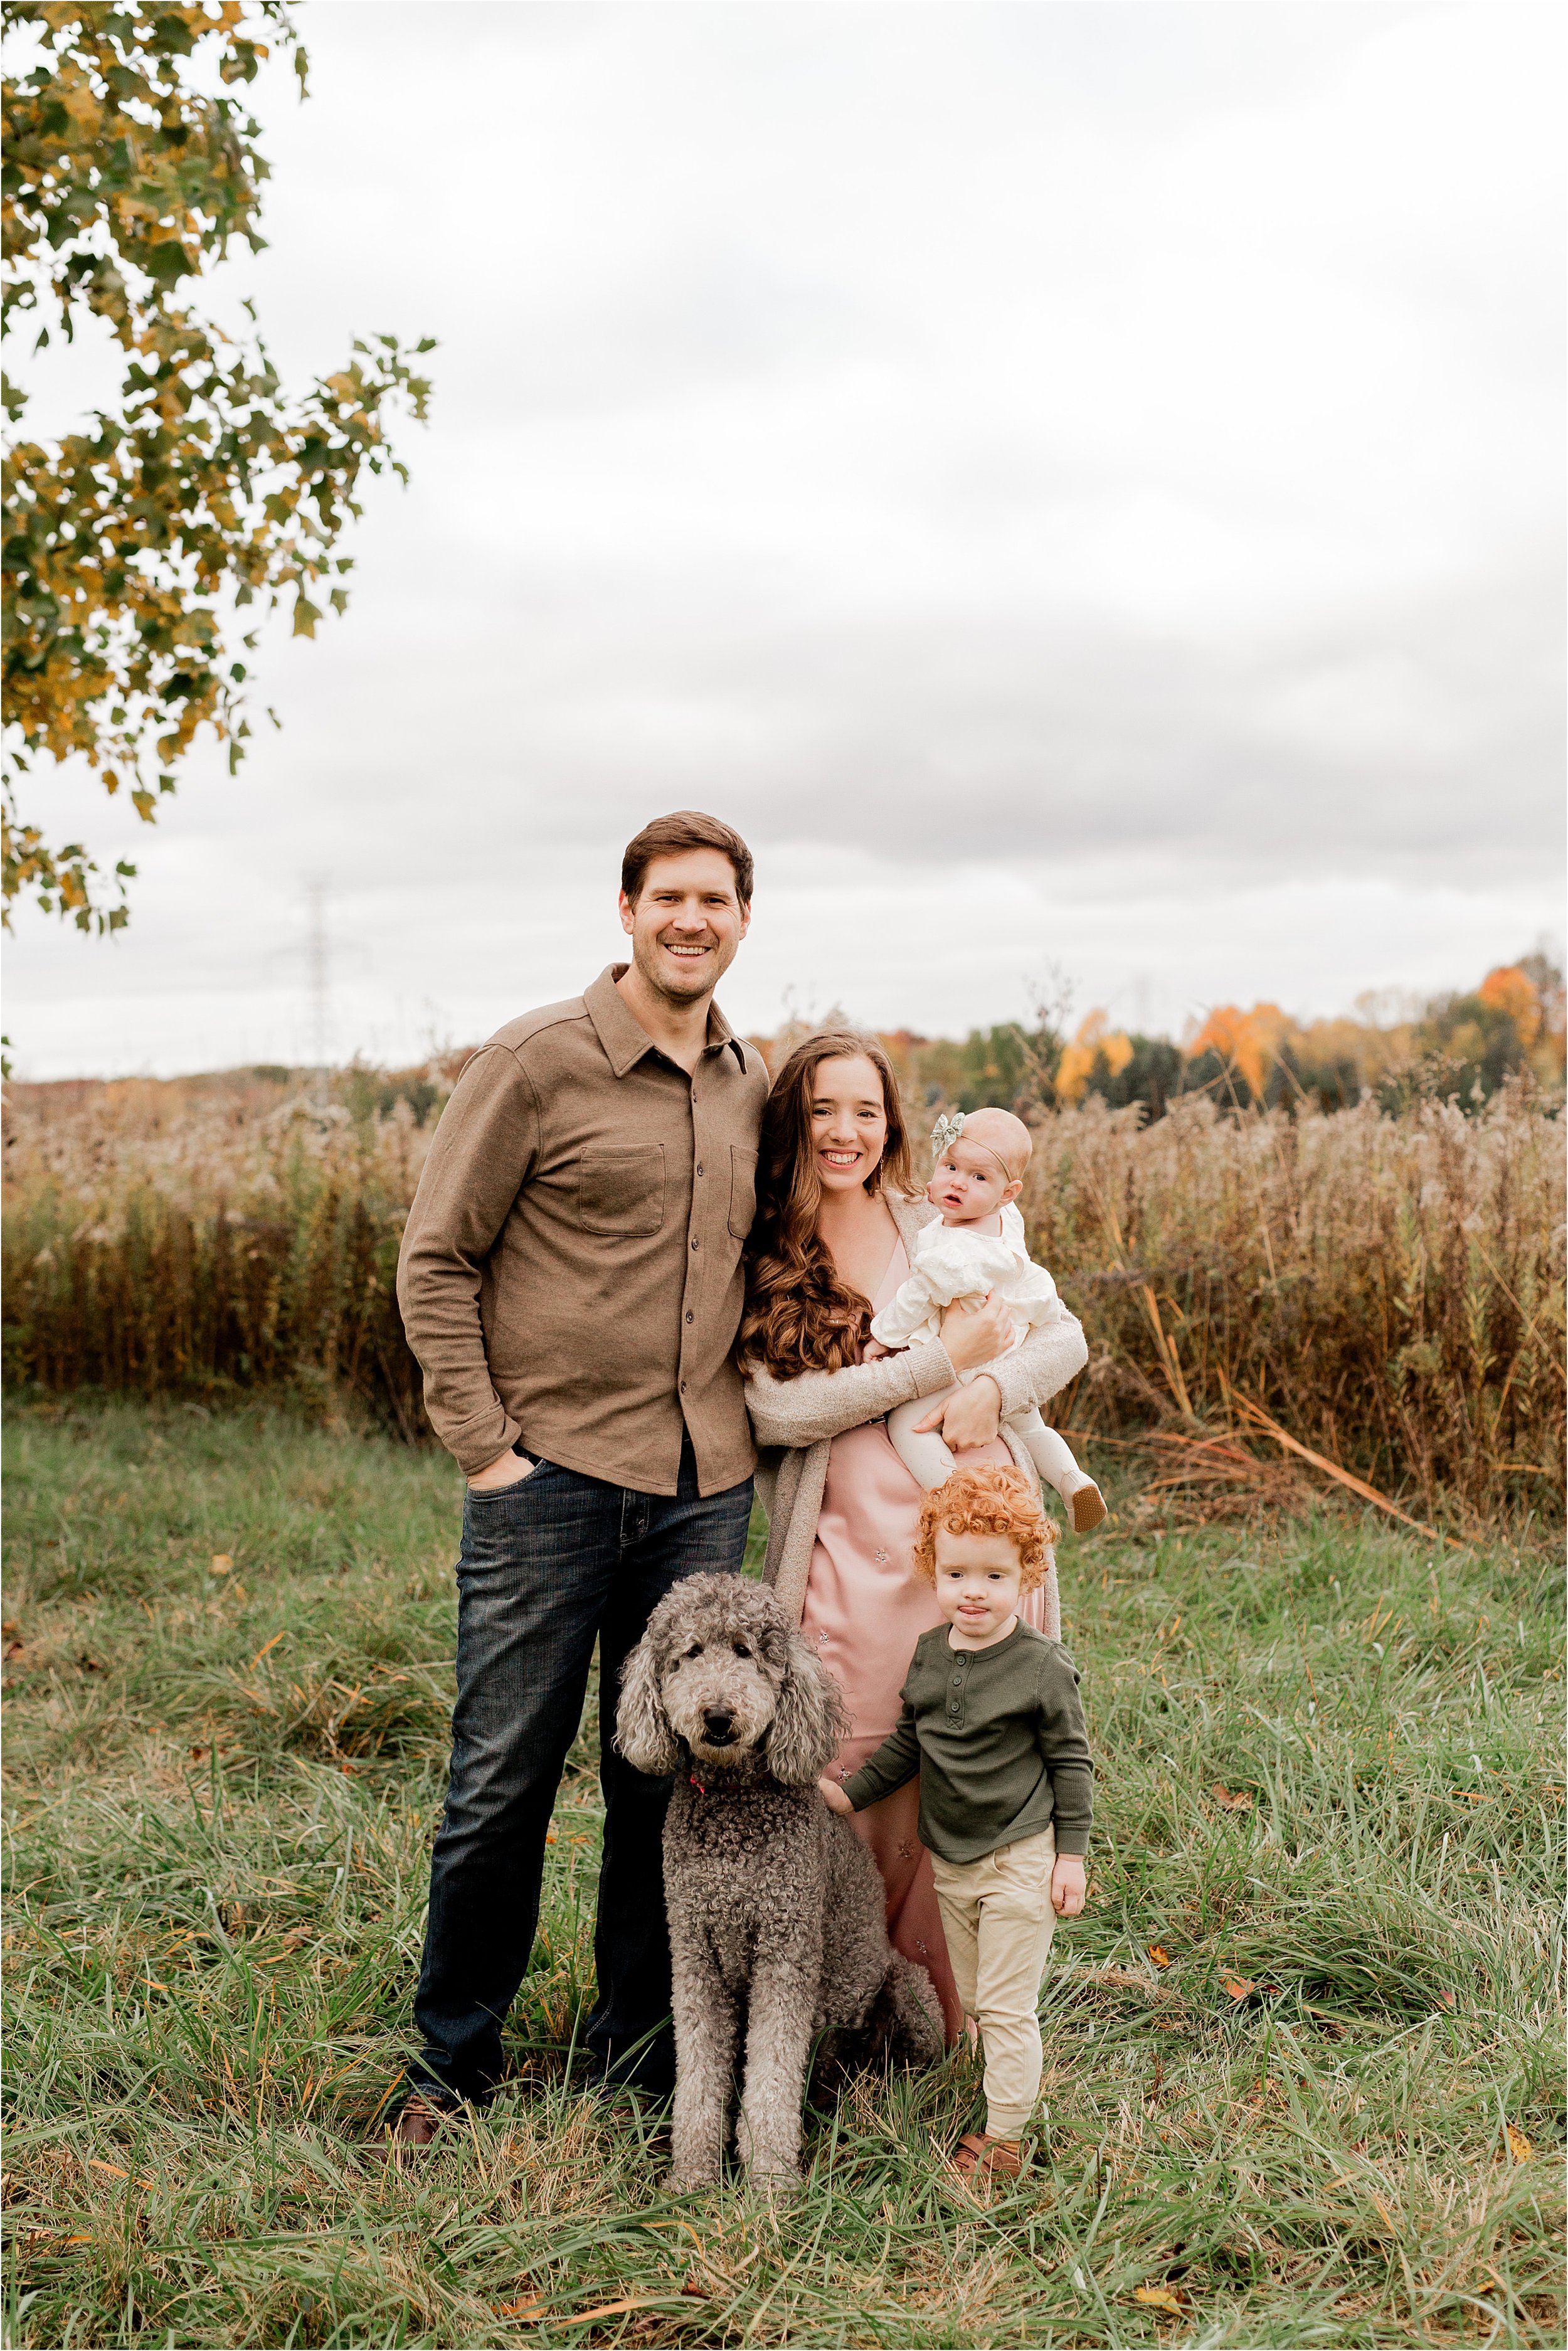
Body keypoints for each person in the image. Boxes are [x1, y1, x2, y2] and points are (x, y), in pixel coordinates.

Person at [390, 810, 767, 2140]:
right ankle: (451, 2066)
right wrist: (487, 1449)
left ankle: (636, 2057)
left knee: (664, 1778)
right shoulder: (535, 1061)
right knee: (503, 1770)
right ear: (624, 909)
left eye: (714, 900)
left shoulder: (746, 1074)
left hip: (700, 1486)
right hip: (546, 1477)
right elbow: (435, 1258)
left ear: (738, 918)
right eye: (668, 896)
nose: (690, 919)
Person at [738, 1031, 1089, 2041]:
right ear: (790, 1126)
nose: (846, 1132)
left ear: (892, 1124)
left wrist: (988, 1384)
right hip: (845, 1551)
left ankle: (969, 2025)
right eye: (821, 1111)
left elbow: (1058, 1335)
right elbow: (774, 1411)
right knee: (856, 1762)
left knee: (975, 1756)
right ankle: (849, 2021)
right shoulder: (768, 1247)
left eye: (866, 1111)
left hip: (968, 1535)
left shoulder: (940, 1219)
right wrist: (937, 1359)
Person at [819, 1463, 1091, 2183]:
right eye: (957, 1572)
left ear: (1028, 1577)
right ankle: (989, 2085)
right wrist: (852, 1794)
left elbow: (1071, 1762)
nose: (974, 1591)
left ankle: (1005, 2139)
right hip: (953, 1860)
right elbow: (910, 1743)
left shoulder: (1040, 1666)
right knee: (973, 1999)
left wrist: (1070, 1856)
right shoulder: (933, 1654)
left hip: (1020, 1855)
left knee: (1004, 2006)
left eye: (995, 1577)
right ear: (932, 1571)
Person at [872, 1107, 1106, 1532]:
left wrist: (882, 1335)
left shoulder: (953, 1248)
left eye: (978, 1177)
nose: (959, 1182)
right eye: (951, 1166)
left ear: (1008, 1192)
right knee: (1033, 1427)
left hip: (967, 1362)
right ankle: (1074, 1481)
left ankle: (958, 1497)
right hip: (1009, 1349)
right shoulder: (1004, 1223)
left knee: (908, 1425)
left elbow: (919, 1295)